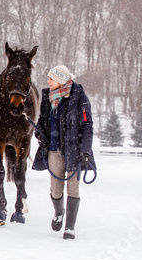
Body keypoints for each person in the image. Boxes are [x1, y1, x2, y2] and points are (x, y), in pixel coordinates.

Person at [32, 65, 95, 239]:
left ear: (60, 80)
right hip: (53, 150)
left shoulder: (79, 98)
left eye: (51, 78)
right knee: (56, 190)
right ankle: (59, 212)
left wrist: (86, 151)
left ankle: (70, 227)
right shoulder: (48, 98)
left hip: (74, 151)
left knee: (73, 189)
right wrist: (40, 134)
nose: (48, 81)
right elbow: (43, 121)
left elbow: (87, 126)